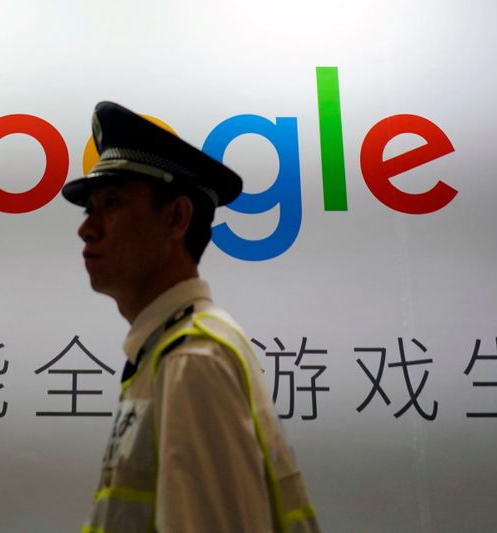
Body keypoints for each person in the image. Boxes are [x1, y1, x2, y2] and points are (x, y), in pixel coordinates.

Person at [62, 101, 319, 533]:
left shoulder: (192, 360)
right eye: (90, 209)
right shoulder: (170, 350)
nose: (87, 228)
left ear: (177, 218)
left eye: (111, 203)